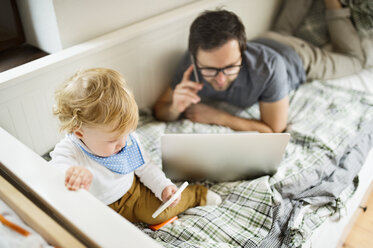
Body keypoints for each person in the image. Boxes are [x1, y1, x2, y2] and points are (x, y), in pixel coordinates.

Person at [154, 0, 364, 133]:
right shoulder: (191, 63)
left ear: (243, 53)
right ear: (195, 57)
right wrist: (175, 107)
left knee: (355, 60)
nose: (220, 78)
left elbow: (274, 129)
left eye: (229, 67)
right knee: (282, 30)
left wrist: (218, 117)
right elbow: (161, 110)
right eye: (209, 69)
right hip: (269, 37)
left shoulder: (270, 68)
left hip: (298, 56)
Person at [49, 68, 221, 225]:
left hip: (132, 192)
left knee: (156, 214)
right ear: (79, 133)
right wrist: (71, 174)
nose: (123, 143)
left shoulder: (125, 139)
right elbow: (56, 169)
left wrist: (163, 187)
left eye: (127, 133)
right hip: (98, 209)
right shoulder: (70, 150)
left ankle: (197, 195)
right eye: (112, 140)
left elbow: (145, 166)